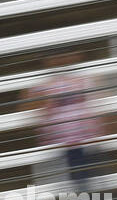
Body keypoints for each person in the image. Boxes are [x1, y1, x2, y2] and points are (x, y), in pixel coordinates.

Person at [23, 52, 106, 189]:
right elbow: (28, 110)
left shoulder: (86, 77)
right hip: (61, 144)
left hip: (88, 140)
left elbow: (99, 103)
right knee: (75, 186)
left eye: (66, 55)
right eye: (56, 56)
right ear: (46, 60)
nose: (62, 59)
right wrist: (42, 102)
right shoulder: (41, 84)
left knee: (96, 182)